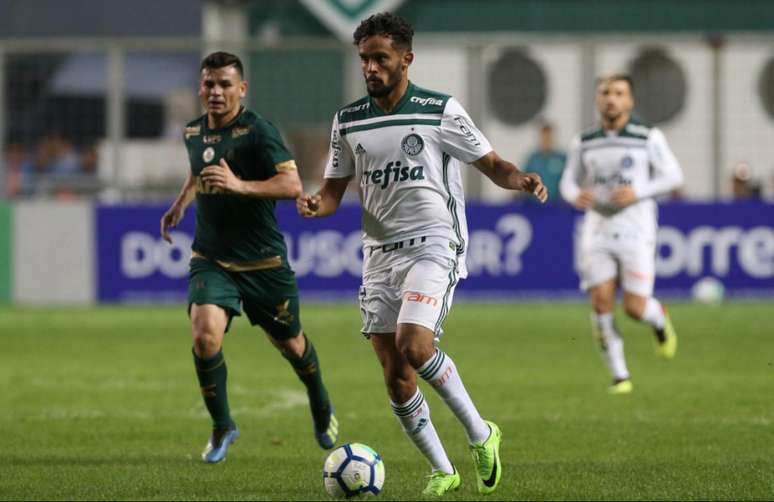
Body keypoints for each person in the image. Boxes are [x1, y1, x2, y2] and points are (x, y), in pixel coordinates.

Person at [296, 13, 546, 497]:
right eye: (365, 58)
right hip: (379, 255)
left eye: (381, 58)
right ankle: (442, 468)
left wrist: (521, 178)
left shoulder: (439, 110)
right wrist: (315, 205)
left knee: (415, 345)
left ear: (406, 59)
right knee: (396, 377)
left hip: (436, 243)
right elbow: (332, 192)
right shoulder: (348, 120)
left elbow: (492, 163)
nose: (371, 67)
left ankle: (481, 432)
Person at [160, 51, 338, 464]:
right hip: (212, 258)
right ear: (200, 87)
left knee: (292, 346)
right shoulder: (192, 132)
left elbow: (292, 184)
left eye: (225, 84)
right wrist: (181, 203)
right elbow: (198, 170)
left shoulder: (258, 130)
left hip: (263, 262)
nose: (216, 92)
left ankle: (319, 398)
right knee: (204, 335)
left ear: (242, 89)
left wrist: (239, 185)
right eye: (209, 84)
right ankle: (223, 425)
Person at [559, 73, 684, 395]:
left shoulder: (647, 137)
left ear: (630, 101)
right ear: (597, 99)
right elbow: (568, 181)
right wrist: (575, 195)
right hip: (597, 230)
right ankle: (620, 375)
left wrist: (638, 191)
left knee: (634, 307)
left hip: (636, 229)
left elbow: (673, 176)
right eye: (605, 93)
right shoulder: (584, 141)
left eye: (618, 93)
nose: (611, 98)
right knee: (600, 300)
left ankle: (659, 319)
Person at [523, 121, 566, 204]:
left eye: (548, 137)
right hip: (534, 204)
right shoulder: (533, 159)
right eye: (544, 137)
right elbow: (524, 180)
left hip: (555, 204)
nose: (546, 140)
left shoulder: (562, 158)